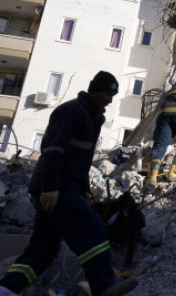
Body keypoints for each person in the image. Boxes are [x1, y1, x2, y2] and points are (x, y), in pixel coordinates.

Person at [0, 72, 139, 296]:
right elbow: (53, 150)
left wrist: (84, 189)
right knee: (92, 227)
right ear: (93, 90)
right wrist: (50, 189)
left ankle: (6, 289)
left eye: (112, 96)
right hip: (56, 187)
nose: (109, 100)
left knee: (42, 250)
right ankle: (104, 286)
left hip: (63, 187)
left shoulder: (92, 117)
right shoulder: (71, 111)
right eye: (106, 94)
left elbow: (82, 160)